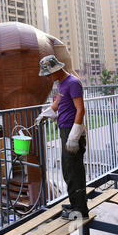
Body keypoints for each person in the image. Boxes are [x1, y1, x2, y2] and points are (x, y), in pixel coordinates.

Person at [35, 55, 89, 220]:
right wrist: (46, 114)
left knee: (74, 171)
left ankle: (80, 211)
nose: (47, 77)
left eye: (48, 74)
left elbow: (80, 110)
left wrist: (74, 137)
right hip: (64, 130)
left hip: (71, 132)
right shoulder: (61, 84)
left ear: (57, 69)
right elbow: (58, 103)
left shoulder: (73, 83)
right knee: (67, 170)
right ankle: (75, 203)